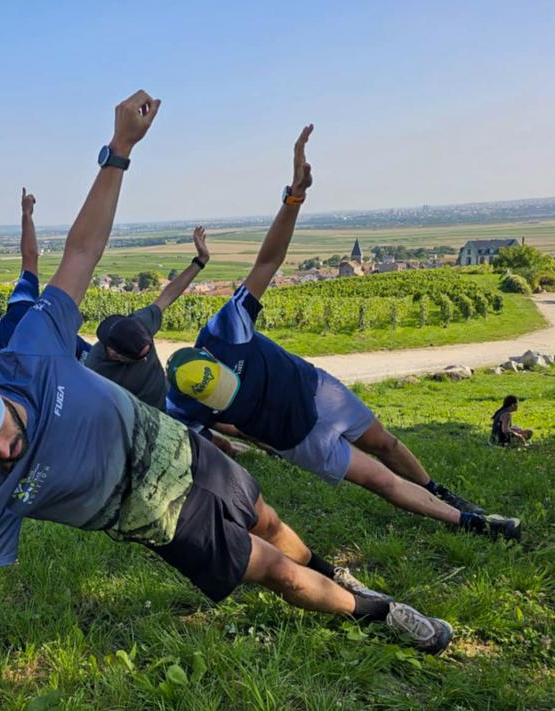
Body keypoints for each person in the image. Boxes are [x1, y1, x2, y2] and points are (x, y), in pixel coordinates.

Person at [0, 94, 452, 711]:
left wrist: (118, 151)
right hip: (165, 519)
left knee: (269, 520)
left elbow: (80, 254)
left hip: (185, 452)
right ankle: (381, 612)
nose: (1, 452)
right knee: (277, 573)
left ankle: (340, 577)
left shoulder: (32, 352)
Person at [164, 126, 520, 541]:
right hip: (298, 439)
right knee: (380, 481)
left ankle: (438, 492)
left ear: (212, 357)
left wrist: (293, 197)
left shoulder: (226, 329)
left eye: (228, 382)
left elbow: (268, 261)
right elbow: (201, 451)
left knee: (384, 442)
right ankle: (476, 524)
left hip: (317, 392)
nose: (231, 392)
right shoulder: (182, 407)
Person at [0, 188, 92, 362]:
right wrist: (26, 214)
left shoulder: (3, 355)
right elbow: (30, 255)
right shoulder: (20, 304)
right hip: (93, 356)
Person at [84, 224, 210, 410]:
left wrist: (200, 261)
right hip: (146, 420)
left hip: (169, 399)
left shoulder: (138, 327)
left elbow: (168, 294)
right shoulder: (96, 369)